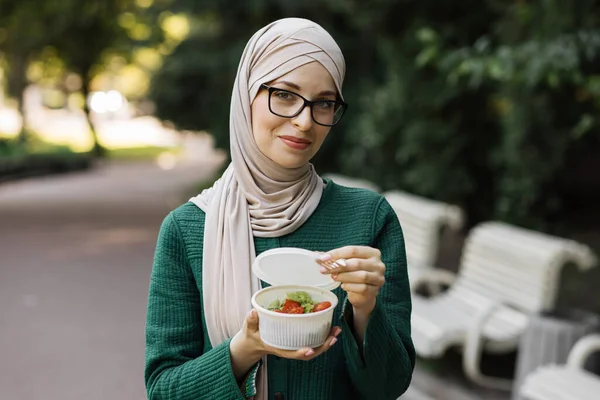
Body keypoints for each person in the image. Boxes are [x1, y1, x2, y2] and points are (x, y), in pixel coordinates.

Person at [144, 17, 415, 400]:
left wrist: (366, 309)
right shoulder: (188, 228)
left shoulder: (369, 218)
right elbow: (163, 390)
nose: (305, 122)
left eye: (323, 102)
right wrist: (245, 348)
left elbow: (389, 387)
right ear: (246, 96)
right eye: (285, 94)